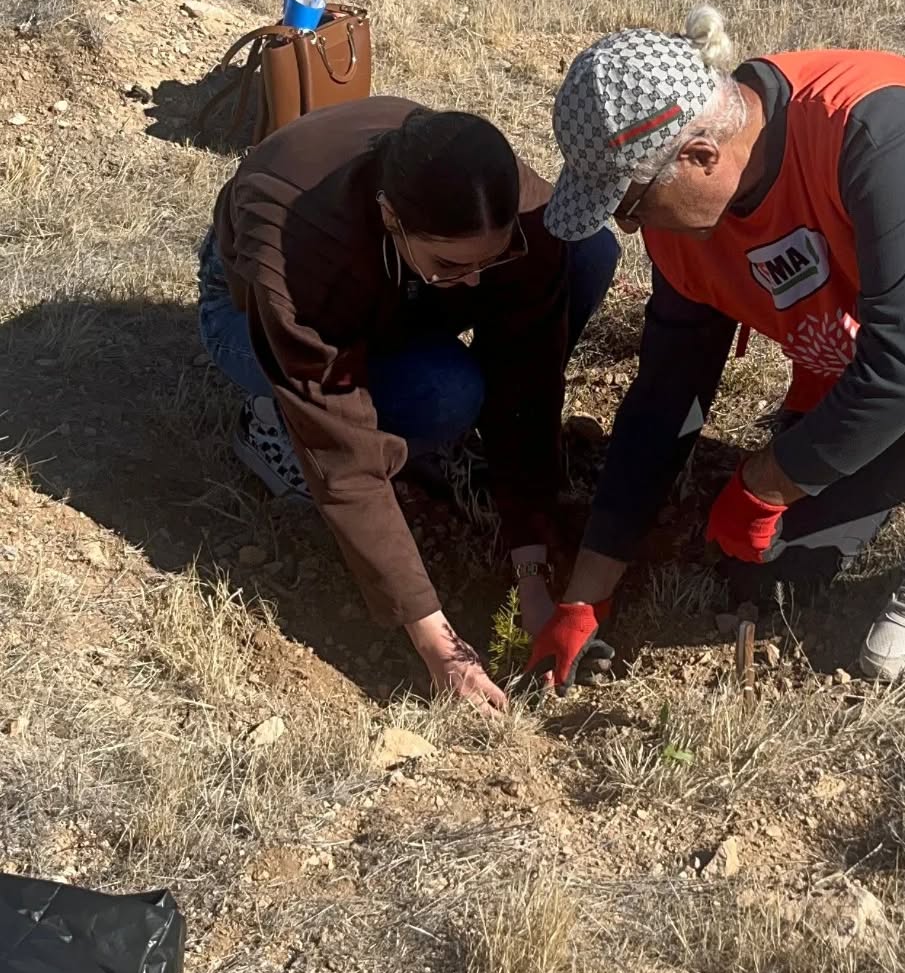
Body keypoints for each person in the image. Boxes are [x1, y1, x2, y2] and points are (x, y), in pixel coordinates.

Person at [523, 7, 905, 690]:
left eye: (630, 205)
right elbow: (665, 395)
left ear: (699, 157)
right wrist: (587, 594)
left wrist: (765, 483)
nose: (632, 229)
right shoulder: (686, 225)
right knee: (773, 575)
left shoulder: (878, 137)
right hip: (889, 361)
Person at [199, 96, 619, 710]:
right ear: (390, 216)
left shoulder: (515, 211)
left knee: (587, 251)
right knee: (443, 394)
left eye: (493, 257)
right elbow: (345, 459)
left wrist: (531, 569)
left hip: (399, 288)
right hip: (250, 310)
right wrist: (440, 646)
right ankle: (272, 427)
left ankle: (426, 387)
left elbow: (528, 381)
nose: (476, 283)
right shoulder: (301, 250)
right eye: (453, 263)